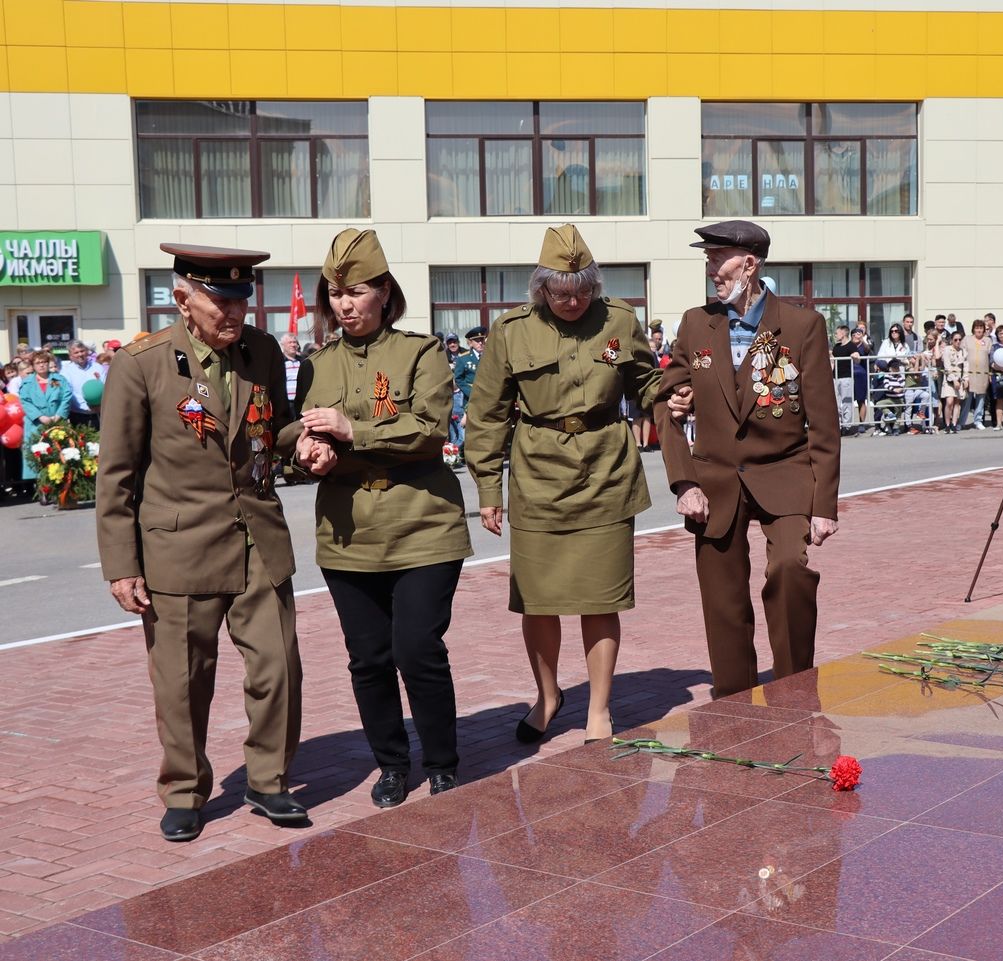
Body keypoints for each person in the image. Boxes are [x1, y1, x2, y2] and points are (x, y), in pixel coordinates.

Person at [95, 243, 305, 842]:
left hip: (257, 539)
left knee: (278, 665)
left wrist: (308, 441)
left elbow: (275, 427)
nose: (234, 311)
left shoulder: (260, 351)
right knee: (183, 680)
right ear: (183, 296)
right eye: (221, 299)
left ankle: (269, 780)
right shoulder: (141, 363)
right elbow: (117, 475)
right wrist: (121, 566)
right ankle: (185, 789)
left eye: (243, 298)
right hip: (178, 547)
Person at [292, 228, 473, 806]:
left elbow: (428, 429)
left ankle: (442, 759)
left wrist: (352, 430)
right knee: (368, 659)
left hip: (423, 526)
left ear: (384, 293)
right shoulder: (318, 364)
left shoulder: (422, 353)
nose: (345, 305)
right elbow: (300, 426)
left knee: (417, 648)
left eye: (358, 291)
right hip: (349, 533)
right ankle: (392, 764)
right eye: (335, 294)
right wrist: (306, 449)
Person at [465, 225, 662, 744]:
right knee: (539, 599)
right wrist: (489, 490)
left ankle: (599, 709)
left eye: (582, 291)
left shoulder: (619, 319)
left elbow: (647, 379)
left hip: (606, 472)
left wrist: (677, 393)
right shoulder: (511, 331)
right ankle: (548, 695)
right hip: (538, 477)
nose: (573, 302)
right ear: (540, 290)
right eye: (560, 293)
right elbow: (486, 415)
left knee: (601, 598)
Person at [654, 220, 840, 699]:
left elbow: (823, 423)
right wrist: (683, 482)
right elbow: (664, 400)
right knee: (723, 599)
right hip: (715, 481)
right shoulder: (696, 323)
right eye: (709, 260)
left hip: (785, 474)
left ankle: (794, 684)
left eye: (719, 259)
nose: (711, 269)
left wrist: (824, 506)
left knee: (790, 572)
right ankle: (732, 698)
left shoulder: (802, 326)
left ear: (749, 264)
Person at [18, 350, 72, 489]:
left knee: (56, 454)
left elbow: (66, 397)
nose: (41, 365)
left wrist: (58, 415)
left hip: (56, 421)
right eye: (38, 363)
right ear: (33, 366)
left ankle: (58, 486)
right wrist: (40, 417)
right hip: (36, 424)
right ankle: (42, 488)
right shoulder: (27, 383)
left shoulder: (58, 379)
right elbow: (25, 401)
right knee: (38, 454)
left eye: (44, 362)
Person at [57, 339, 105, 428]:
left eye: (82, 351)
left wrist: (99, 405)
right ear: (70, 356)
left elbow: (105, 388)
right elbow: (67, 393)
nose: (80, 354)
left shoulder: (98, 367)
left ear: (87, 352)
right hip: (77, 416)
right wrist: (87, 406)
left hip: (98, 414)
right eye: (76, 352)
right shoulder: (65, 372)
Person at [960, 318, 992, 429]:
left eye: (981, 328)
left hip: (983, 373)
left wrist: (990, 374)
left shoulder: (987, 340)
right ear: (973, 329)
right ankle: (961, 421)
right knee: (967, 399)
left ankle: (978, 420)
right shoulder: (967, 339)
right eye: (976, 328)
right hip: (969, 372)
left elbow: (991, 357)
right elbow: (962, 355)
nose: (979, 330)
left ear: (984, 329)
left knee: (981, 397)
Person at [830, 324, 857, 435]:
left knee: (846, 402)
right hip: (835, 378)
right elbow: (832, 362)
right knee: (836, 403)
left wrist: (855, 356)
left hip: (846, 378)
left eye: (837, 333)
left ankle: (847, 426)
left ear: (844, 333)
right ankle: (839, 425)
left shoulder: (851, 346)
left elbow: (857, 357)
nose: (836, 335)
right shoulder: (836, 347)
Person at [939, 329, 966, 433]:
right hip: (950, 380)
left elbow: (966, 367)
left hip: (960, 379)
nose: (958, 342)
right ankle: (947, 423)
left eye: (960, 339)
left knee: (957, 403)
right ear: (951, 341)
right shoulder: (947, 350)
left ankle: (954, 424)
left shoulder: (963, 351)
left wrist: (965, 379)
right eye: (956, 340)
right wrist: (954, 380)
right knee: (949, 401)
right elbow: (947, 366)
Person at [279, 332, 302, 416]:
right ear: (283, 345)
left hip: (301, 402)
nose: (293, 345)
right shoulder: (279, 362)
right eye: (290, 342)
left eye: (294, 342)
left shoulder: (303, 361)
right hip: (286, 404)